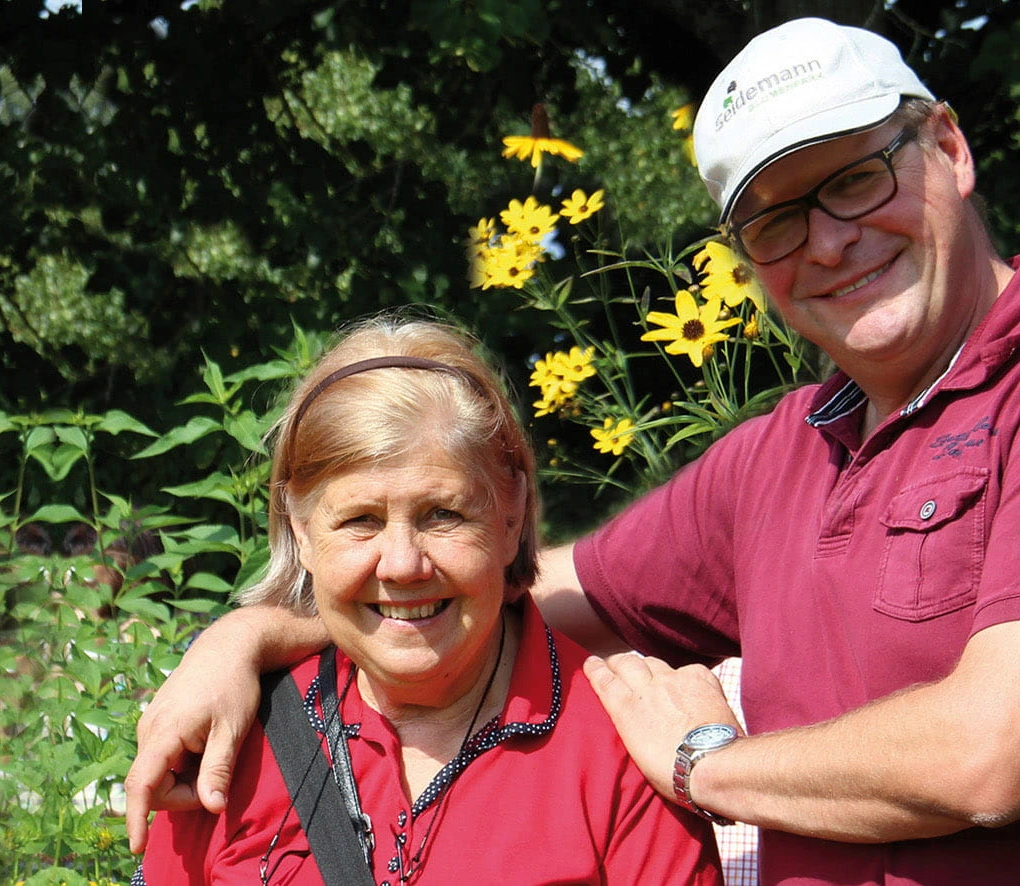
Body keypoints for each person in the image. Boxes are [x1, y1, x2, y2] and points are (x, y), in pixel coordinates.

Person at [126, 17, 1020, 885]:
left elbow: (990, 756)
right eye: (773, 220)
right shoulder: (783, 457)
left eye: (857, 178)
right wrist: (252, 635)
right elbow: (506, 580)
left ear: (947, 147)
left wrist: (704, 766)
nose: (827, 240)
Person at [133, 317, 723, 884]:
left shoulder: (621, 748)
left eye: (443, 515)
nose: (402, 565)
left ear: (511, 512)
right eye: (360, 520)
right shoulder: (228, 742)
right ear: (302, 529)